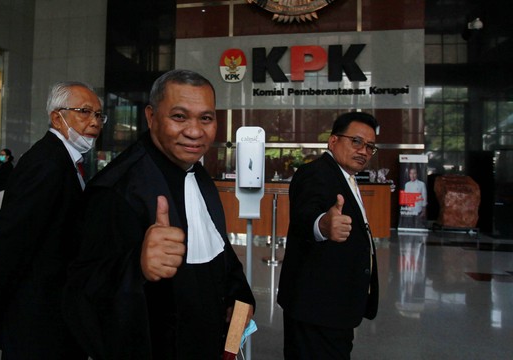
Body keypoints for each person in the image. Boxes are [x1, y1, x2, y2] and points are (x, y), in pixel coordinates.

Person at [63, 69, 255, 359]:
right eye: (179, 117)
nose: (194, 131)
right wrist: (137, 267)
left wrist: (240, 297)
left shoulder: (199, 174)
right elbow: (80, 293)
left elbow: (220, 252)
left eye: (206, 118)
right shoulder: (115, 190)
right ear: (151, 117)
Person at [0, 81, 104, 359]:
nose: (94, 121)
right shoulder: (46, 163)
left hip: (58, 307)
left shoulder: (67, 160)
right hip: (36, 314)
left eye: (99, 115)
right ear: (57, 117)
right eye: (84, 111)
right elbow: (13, 238)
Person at [277, 112, 380, 359]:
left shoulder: (346, 177)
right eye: (356, 141)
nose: (363, 151)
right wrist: (323, 225)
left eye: (370, 146)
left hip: (335, 308)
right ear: (333, 141)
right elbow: (306, 215)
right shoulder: (315, 173)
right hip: (316, 309)